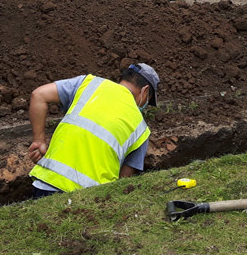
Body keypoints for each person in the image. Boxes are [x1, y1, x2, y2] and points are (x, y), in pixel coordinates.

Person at [28, 63, 159, 197]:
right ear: (145, 91)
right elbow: (122, 183)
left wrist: (39, 141)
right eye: (148, 101)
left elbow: (38, 95)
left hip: (47, 183)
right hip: (91, 200)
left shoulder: (88, 84)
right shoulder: (141, 129)